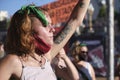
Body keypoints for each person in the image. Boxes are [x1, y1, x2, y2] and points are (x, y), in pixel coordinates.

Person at [0, 0, 90, 80]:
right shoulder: (13, 62)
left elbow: (75, 20)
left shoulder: (46, 57)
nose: (52, 29)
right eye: (45, 25)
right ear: (27, 30)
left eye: (51, 24)